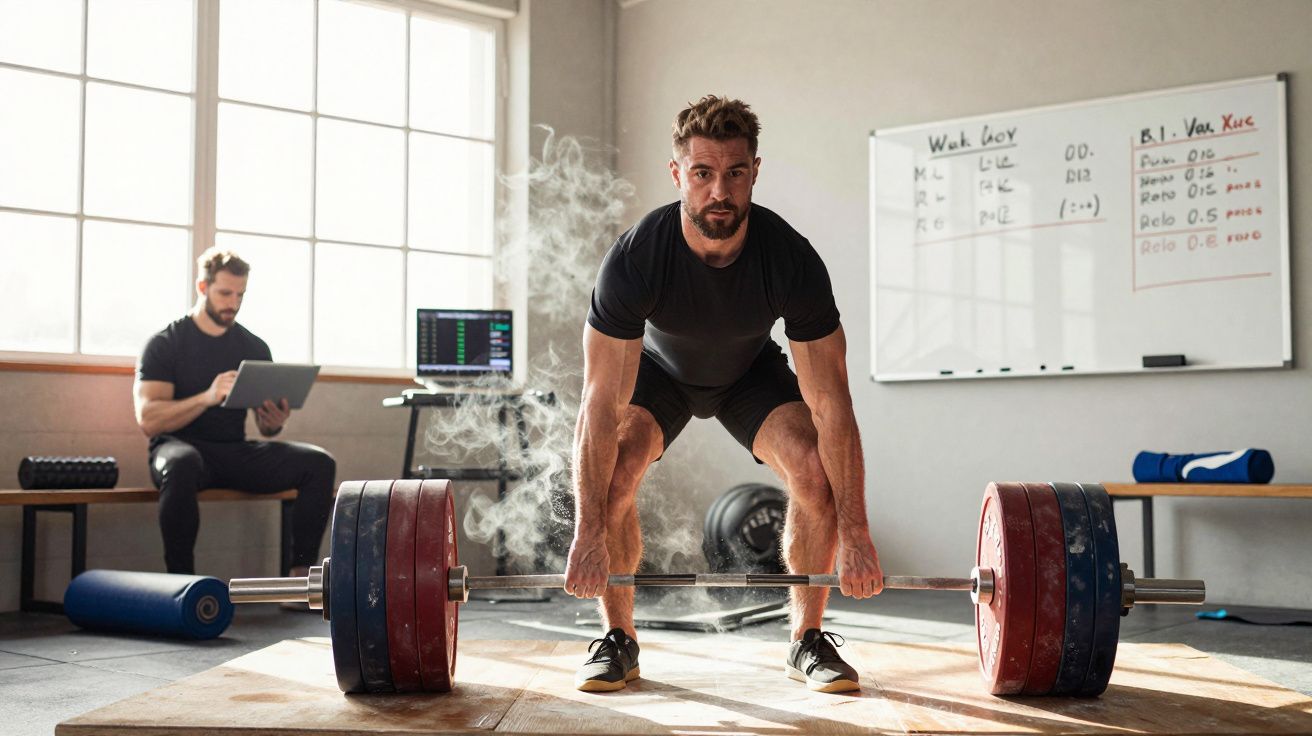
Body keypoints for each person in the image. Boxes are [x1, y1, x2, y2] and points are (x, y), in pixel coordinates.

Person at [565, 96, 884, 693]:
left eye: (735, 172)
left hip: (748, 373)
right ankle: (618, 640)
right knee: (616, 472)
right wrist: (587, 533)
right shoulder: (636, 259)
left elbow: (832, 405)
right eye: (703, 173)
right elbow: (598, 408)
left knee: (814, 469)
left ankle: (806, 640)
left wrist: (858, 532)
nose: (720, 191)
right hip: (660, 371)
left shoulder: (790, 260)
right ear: (677, 173)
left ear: (755, 171)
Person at [133, 247, 335, 587]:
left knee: (319, 463)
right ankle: (182, 586)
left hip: (232, 451)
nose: (233, 303)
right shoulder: (166, 343)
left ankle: (300, 580)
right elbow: (149, 420)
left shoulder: (253, 347)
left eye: (240, 295)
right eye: (225, 293)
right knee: (182, 463)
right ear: (202, 287)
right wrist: (207, 397)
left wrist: (273, 421)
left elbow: (266, 429)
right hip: (178, 449)